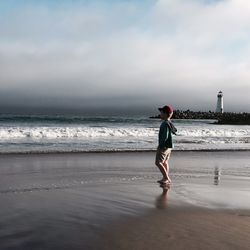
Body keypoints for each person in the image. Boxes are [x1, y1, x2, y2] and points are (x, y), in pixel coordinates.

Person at [155, 105, 177, 185]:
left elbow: (165, 136)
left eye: (161, 113)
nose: (160, 114)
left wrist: (160, 145)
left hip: (163, 147)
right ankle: (165, 178)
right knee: (165, 162)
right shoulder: (170, 123)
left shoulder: (164, 124)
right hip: (169, 147)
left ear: (165, 113)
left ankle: (167, 178)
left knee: (158, 162)